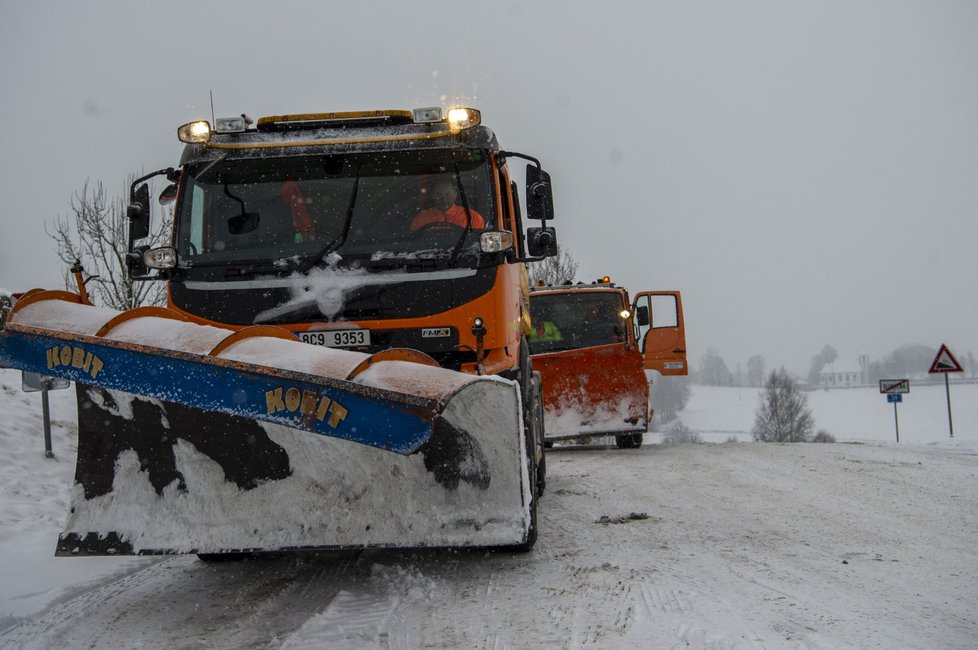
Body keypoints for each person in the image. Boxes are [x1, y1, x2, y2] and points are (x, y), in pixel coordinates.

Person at [409, 177, 486, 232]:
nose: (444, 199)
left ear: (455, 194)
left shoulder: (473, 219)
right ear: (432, 195)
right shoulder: (420, 220)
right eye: (439, 195)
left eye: (448, 195)